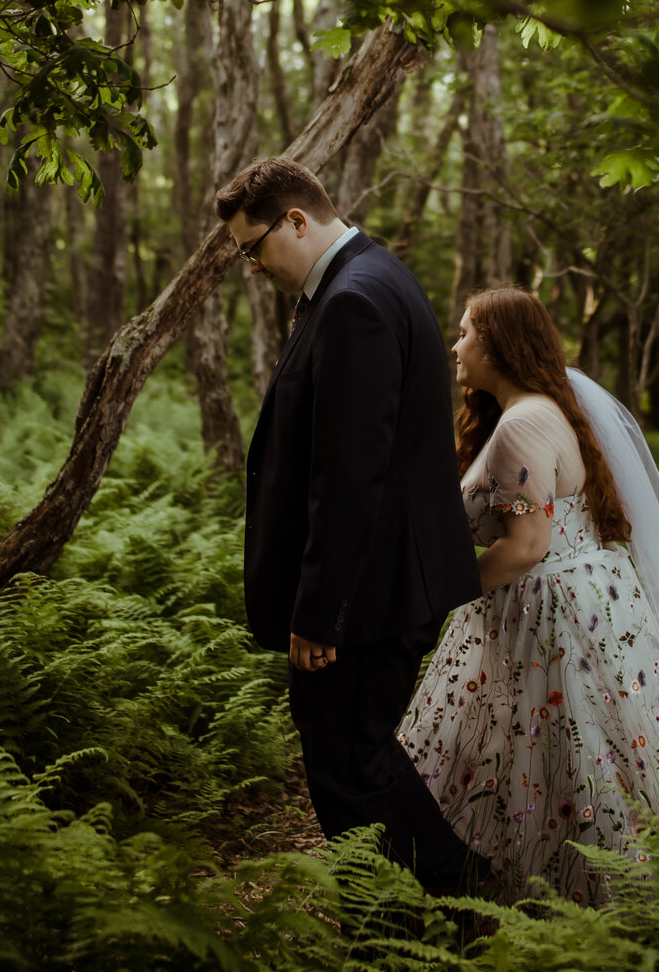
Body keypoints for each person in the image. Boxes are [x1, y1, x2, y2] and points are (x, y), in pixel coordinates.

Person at [399, 287, 659, 906]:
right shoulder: (539, 412)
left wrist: (432, 599)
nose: (455, 346)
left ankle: (565, 907)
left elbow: (527, 544)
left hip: (549, 619)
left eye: (465, 333)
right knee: (565, 759)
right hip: (576, 607)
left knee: (566, 759)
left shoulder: (522, 425)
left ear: (498, 344)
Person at [217, 156, 487, 890]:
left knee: (348, 764)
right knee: (356, 756)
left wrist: (321, 613)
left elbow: (351, 477)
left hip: (367, 596)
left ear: (296, 221)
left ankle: (440, 904)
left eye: (253, 248)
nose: (252, 266)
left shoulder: (354, 300)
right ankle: (428, 903)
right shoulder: (367, 278)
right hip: (380, 587)